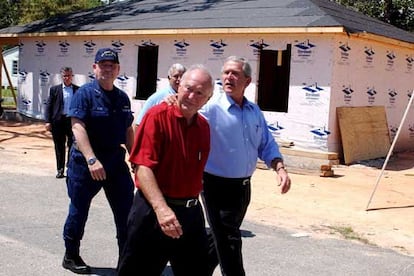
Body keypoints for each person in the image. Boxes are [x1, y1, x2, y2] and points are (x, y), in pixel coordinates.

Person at [117, 65, 214, 276]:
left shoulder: (204, 128)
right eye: (188, 88)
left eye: (200, 93)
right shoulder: (157, 116)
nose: (191, 96)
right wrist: (162, 210)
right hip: (153, 213)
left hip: (190, 215)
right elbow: (143, 167)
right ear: (178, 86)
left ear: (208, 98)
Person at [200, 56, 292, 275]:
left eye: (235, 73)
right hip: (215, 185)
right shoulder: (210, 108)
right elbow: (186, 123)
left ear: (247, 81)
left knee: (219, 238)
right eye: (226, 72)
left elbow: (266, 143)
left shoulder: (254, 111)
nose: (229, 77)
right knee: (229, 239)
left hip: (242, 188)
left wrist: (279, 167)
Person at [62, 48, 135, 274]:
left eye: (112, 65)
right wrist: (91, 159)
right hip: (86, 164)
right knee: (78, 210)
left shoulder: (122, 98)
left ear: (118, 70)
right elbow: (77, 126)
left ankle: (127, 259)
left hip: (114, 161)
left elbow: (128, 128)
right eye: (103, 64)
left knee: (126, 212)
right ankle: (71, 255)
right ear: (95, 68)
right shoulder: (84, 93)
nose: (107, 68)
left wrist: (135, 156)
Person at [45, 67, 79, 178]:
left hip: (72, 121)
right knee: (59, 147)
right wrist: (48, 121)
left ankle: (70, 167)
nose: (67, 78)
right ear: (62, 76)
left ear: (72, 76)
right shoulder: (55, 90)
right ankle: (60, 169)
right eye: (65, 75)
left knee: (72, 145)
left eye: (69, 75)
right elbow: (49, 106)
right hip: (58, 122)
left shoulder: (78, 90)